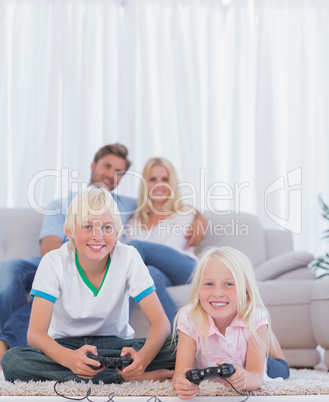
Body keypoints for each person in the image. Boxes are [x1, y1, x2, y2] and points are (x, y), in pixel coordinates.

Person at [0, 144, 206, 367]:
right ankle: (122, 374)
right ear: (93, 165)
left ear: (117, 232)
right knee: (16, 358)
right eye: (107, 166)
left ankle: (138, 364)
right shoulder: (64, 209)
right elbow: (50, 249)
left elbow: (157, 200)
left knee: (169, 348)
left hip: (116, 338)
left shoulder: (128, 212)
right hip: (69, 265)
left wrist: (199, 216)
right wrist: (68, 274)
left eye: (119, 171)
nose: (111, 174)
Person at [2, 186, 176, 383]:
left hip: (115, 346)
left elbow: (161, 323)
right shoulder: (53, 261)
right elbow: (35, 334)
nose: (98, 235)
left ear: (117, 232)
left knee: (179, 347)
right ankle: (126, 378)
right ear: (70, 231)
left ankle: (117, 373)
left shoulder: (128, 257)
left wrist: (143, 359)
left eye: (107, 227)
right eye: (87, 226)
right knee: (13, 360)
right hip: (65, 347)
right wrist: (69, 359)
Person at [172, 246, 290, 399]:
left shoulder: (254, 316)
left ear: (246, 292)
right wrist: (181, 383)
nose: (218, 293)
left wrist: (245, 380)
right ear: (198, 289)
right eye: (209, 284)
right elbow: (179, 374)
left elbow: (256, 376)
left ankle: (267, 334)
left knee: (283, 369)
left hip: (261, 366)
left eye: (229, 284)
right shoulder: (189, 316)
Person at [123, 157, 200, 325]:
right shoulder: (133, 223)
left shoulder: (184, 213)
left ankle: (116, 331)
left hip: (185, 270)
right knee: (150, 274)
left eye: (165, 179)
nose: (159, 184)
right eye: (153, 179)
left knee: (134, 248)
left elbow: (170, 248)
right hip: (157, 274)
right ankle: (176, 340)